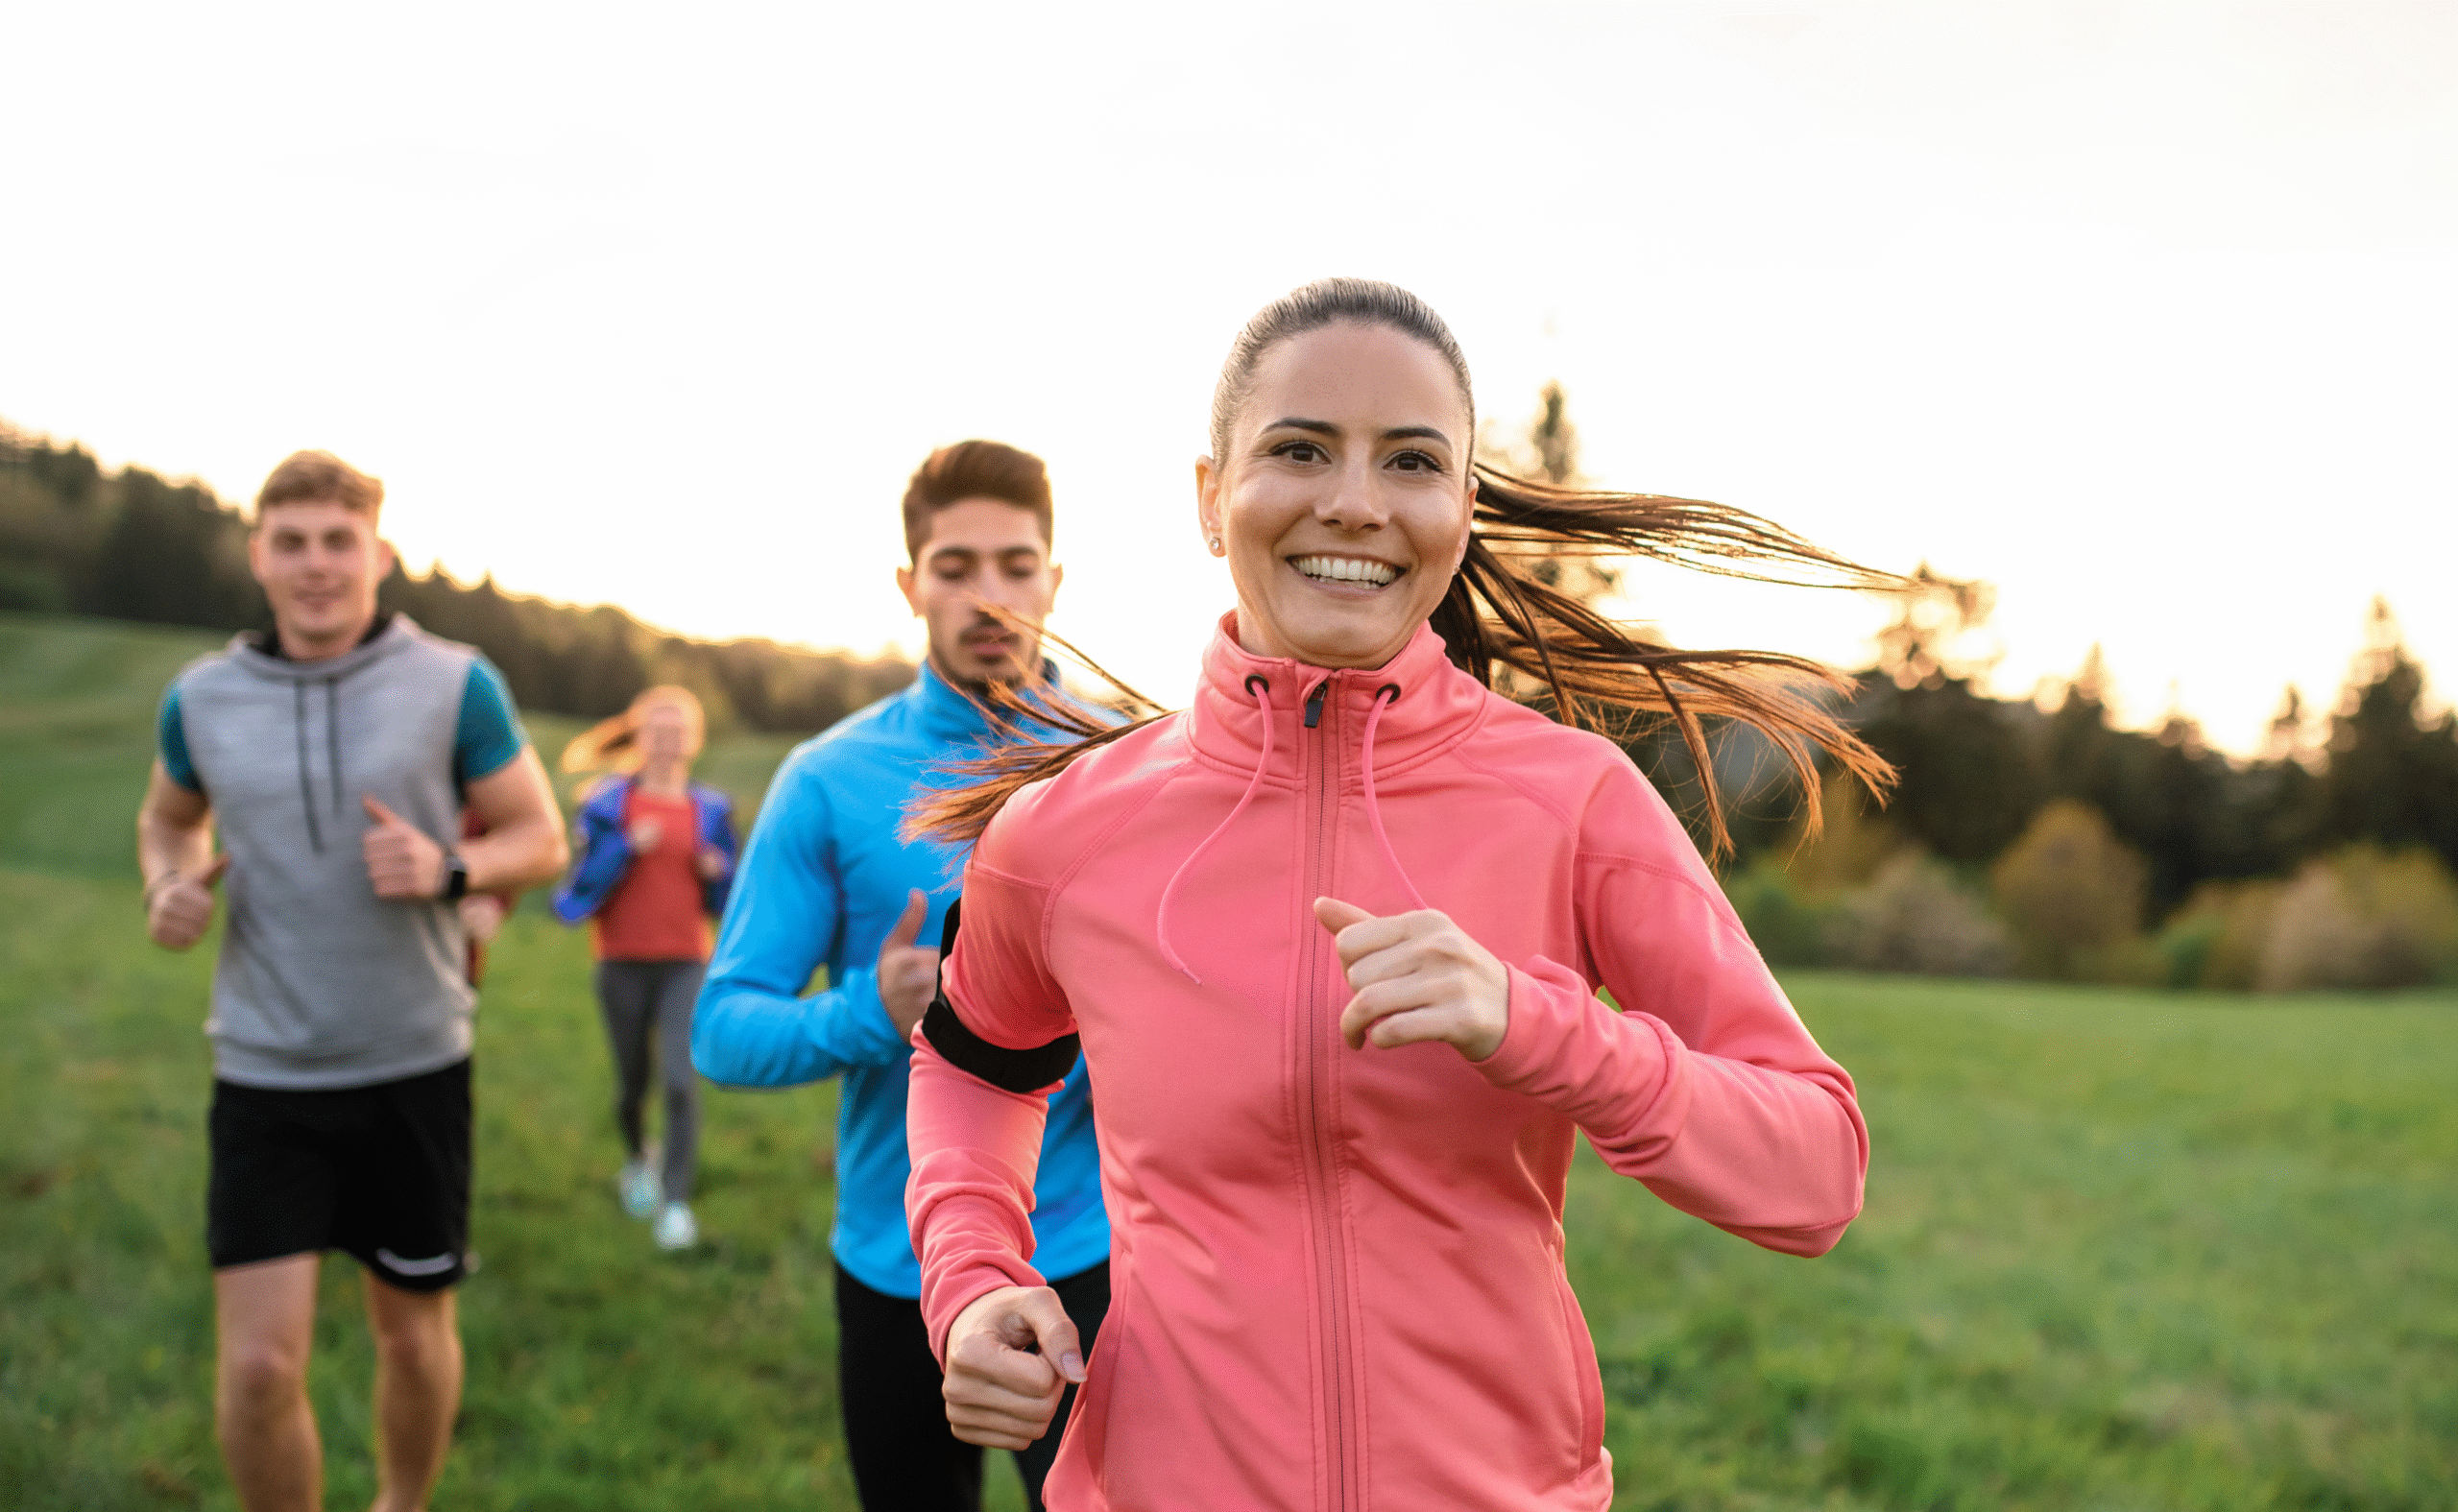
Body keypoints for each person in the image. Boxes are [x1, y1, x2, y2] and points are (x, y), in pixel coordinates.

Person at [904, 279, 1896, 1510]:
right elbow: (976, 1064)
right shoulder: (1062, 835)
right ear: (1211, 499)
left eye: (1410, 462)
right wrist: (975, 1275)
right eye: (1300, 449)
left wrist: (1543, 1029)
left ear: (1461, 510)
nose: (1355, 504)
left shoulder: (1573, 803)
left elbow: (1815, 1174)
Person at [137, 449, 568, 1512]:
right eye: (292, 542)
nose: (316, 565)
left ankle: (400, 1504)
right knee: (255, 1370)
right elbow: (167, 820)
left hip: (413, 1061)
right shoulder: (201, 698)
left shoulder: (454, 682)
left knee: (413, 1342)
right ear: (258, 555)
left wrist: (451, 868)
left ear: (379, 553)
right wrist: (168, 885)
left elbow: (540, 837)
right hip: (263, 1068)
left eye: (339, 541)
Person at [692, 441, 1112, 1511]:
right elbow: (722, 1031)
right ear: (909, 583)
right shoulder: (828, 781)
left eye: (1017, 566)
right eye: (956, 565)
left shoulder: (1131, 767)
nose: (990, 596)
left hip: (1098, 1255)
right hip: (895, 1264)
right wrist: (869, 1013)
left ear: (1055, 580)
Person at [550, 684, 739, 1250]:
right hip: (620, 963)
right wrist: (627, 845)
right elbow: (580, 888)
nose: (667, 742)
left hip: (686, 962)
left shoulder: (711, 809)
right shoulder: (609, 804)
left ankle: (676, 1204)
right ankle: (638, 1161)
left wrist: (718, 871)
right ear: (640, 738)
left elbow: (728, 898)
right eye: (657, 732)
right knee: (633, 1081)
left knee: (680, 1081)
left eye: (678, 732)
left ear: (694, 741)